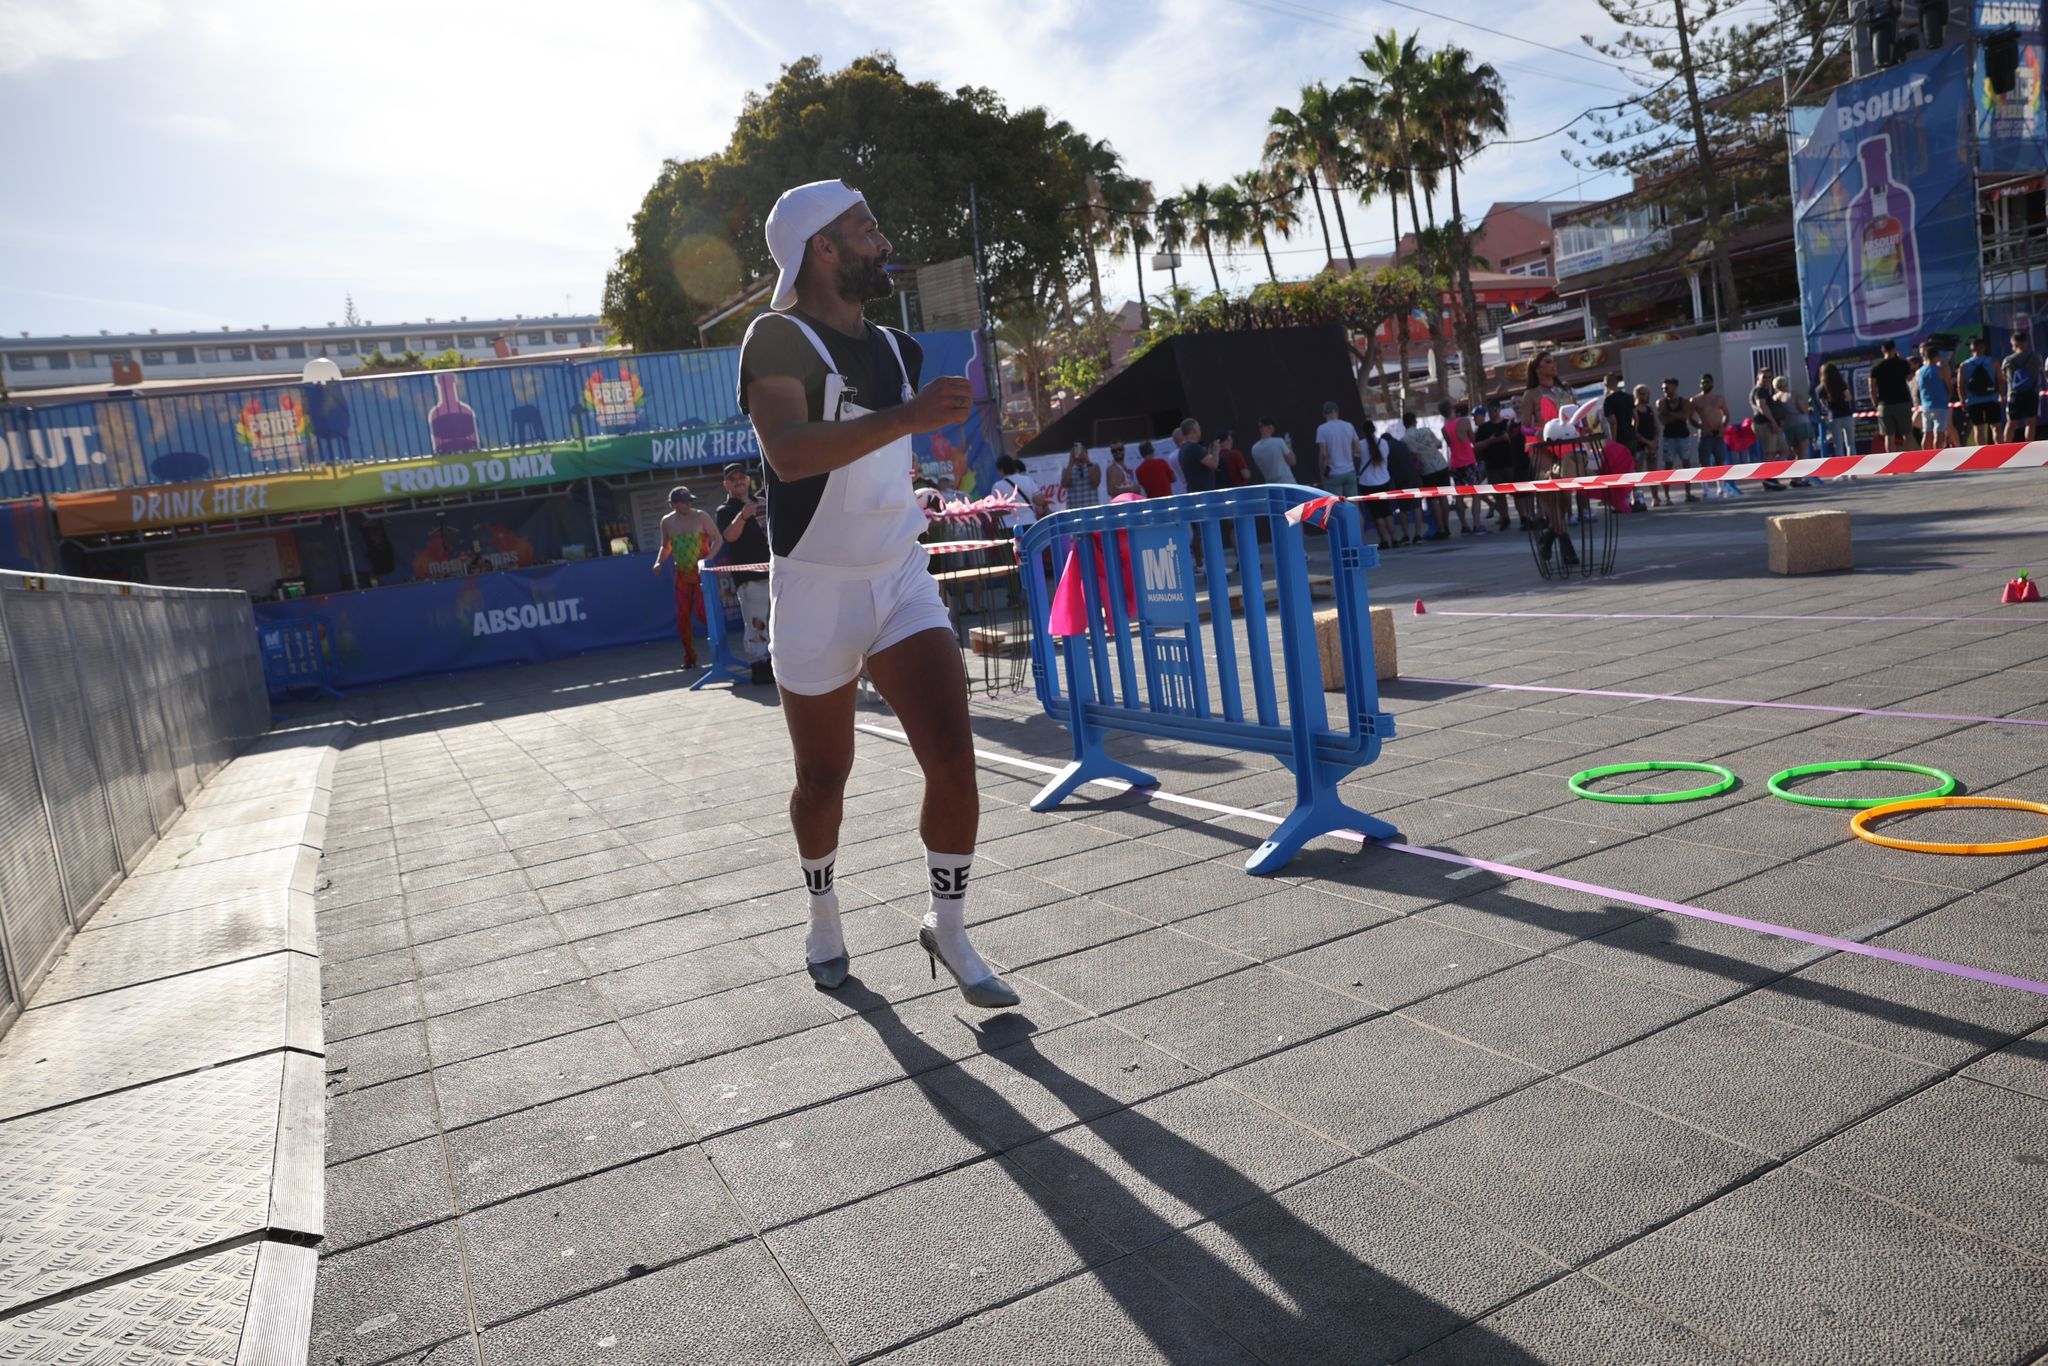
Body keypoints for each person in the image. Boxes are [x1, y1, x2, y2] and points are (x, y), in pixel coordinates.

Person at [737, 177, 1016, 1006]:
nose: (883, 240)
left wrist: (921, 463)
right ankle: (823, 915)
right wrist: (910, 420)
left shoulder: (899, 351)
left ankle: (951, 930)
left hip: (899, 575)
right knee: (824, 778)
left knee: (954, 759)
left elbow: (881, 451)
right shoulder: (774, 338)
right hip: (816, 588)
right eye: (867, 229)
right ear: (822, 247)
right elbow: (788, 453)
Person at [714, 463, 774, 684]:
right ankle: (759, 665)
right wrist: (742, 516)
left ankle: (776, 663)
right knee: (756, 621)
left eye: (741, 477)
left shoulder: (764, 503)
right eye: (733, 479)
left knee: (779, 621)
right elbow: (729, 537)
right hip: (749, 578)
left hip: (775, 573)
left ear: (749, 480)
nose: (738, 481)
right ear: (726, 484)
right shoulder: (725, 511)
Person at [652, 486, 721, 668]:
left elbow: (718, 539)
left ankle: (720, 651)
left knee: (702, 612)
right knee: (682, 617)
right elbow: (665, 546)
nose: (688, 504)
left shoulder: (701, 516)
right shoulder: (666, 522)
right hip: (682, 575)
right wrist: (659, 562)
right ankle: (689, 657)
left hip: (701, 574)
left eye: (690, 501)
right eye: (683, 502)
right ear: (673, 504)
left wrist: (706, 561)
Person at [1403, 410, 1450, 538]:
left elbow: (1412, 456)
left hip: (1427, 470)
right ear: (1415, 421)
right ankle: (1446, 526)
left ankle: (1440, 529)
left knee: (1433, 500)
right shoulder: (1426, 430)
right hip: (1441, 464)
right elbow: (1439, 444)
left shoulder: (1406, 439)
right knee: (1443, 497)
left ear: (1404, 424)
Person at [1356, 420, 1400, 549]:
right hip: (1384, 480)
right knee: (1387, 511)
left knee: (1376, 514)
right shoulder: (1384, 443)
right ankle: (1394, 538)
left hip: (1367, 482)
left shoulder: (1361, 445)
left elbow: (1357, 459)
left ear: (1363, 431)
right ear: (1374, 429)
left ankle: (1384, 540)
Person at [1866, 338, 1915, 453]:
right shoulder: (1902, 363)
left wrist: (1876, 403)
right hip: (1902, 402)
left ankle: (1892, 468)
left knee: (1889, 436)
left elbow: (1871, 387)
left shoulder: (1876, 367)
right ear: (1894, 348)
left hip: (1885, 405)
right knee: (1907, 434)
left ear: (1883, 350)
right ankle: (1910, 462)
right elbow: (1909, 378)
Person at [1655, 378, 1698, 503]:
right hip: (1669, 437)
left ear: (1675, 387)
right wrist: (1677, 415)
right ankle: (1667, 496)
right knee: (1668, 466)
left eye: (1667, 388)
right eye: (1663, 389)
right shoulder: (1661, 403)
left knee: (1686, 465)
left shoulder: (1684, 402)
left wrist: (1670, 414)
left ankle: (1688, 494)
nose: (1665, 390)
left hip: (1683, 436)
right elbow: (1663, 421)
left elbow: (1685, 416)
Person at [1694, 373, 1734, 497]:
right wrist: (1701, 427)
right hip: (1705, 434)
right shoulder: (1695, 400)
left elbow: (1726, 413)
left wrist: (1723, 427)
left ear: (1712, 383)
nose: (1706, 384)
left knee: (1720, 460)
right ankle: (1706, 489)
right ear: (1700, 384)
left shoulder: (1719, 398)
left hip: (1718, 434)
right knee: (1704, 462)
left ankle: (1721, 487)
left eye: (1708, 382)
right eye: (1704, 382)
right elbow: (1689, 418)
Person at [1443, 401, 1482, 531]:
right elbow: (1473, 439)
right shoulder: (1464, 422)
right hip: (1468, 462)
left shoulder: (1444, 429)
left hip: (1455, 464)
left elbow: (1450, 444)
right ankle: (1477, 525)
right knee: (1475, 493)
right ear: (1452, 409)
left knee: (1459, 495)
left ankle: (1464, 526)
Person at [1749, 365, 1789, 489]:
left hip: (1771, 423)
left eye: (1770, 377)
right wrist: (1773, 422)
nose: (1767, 379)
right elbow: (1761, 406)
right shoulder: (1759, 390)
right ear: (1758, 377)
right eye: (1764, 377)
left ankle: (1772, 475)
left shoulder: (1765, 391)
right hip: (1765, 424)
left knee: (1784, 450)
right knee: (1770, 452)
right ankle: (1769, 478)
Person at [1960, 336, 2003, 444]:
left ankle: (1982, 454)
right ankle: (2001, 451)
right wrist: (2002, 395)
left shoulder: (1964, 365)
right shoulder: (1993, 362)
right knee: (1996, 426)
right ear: (1984, 348)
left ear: (1971, 349)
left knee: (1978, 428)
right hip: (1991, 399)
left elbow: (1960, 385)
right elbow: (2000, 380)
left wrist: (1963, 401)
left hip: (1973, 401)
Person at [1633, 384, 1669, 507]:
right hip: (1639, 446)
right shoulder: (1633, 410)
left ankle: (1656, 497)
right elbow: (1634, 431)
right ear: (1637, 395)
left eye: (1648, 394)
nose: (1647, 396)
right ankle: (1637, 497)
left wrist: (1654, 442)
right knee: (1637, 472)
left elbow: (1657, 427)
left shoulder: (1649, 409)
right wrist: (1647, 442)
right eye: (1644, 394)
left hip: (1651, 446)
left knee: (1652, 473)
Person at [1315, 401, 1360, 498]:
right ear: (1337, 411)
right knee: (1354, 505)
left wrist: (1323, 473)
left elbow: (1323, 454)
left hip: (1333, 473)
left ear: (1324, 414)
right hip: (1350, 471)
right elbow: (1358, 448)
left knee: (1337, 507)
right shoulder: (1349, 426)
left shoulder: (1322, 429)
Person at [990, 454, 1044, 534]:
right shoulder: (1027, 480)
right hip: (1030, 523)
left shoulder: (997, 486)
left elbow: (994, 511)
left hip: (1008, 526)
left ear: (1001, 470)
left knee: (1013, 547)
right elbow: (1040, 501)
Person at [1915, 341, 1954, 448]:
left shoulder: (1918, 372)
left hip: (1926, 406)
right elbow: (1949, 386)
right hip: (1940, 405)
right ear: (1935, 356)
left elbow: (1918, 388)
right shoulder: (1940, 370)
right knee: (1939, 433)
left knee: (1927, 433)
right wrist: (1949, 395)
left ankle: (1926, 455)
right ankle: (1937, 456)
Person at [2005, 332, 2040, 442]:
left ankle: (2006, 448)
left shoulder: (2008, 360)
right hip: (2032, 393)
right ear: (2026, 342)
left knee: (2012, 422)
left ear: (2014, 343)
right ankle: (2029, 447)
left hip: (2014, 395)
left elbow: (2004, 377)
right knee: (2030, 422)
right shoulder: (2035, 356)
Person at [1817, 361, 1855, 459]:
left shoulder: (1821, 388)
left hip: (1834, 417)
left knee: (1838, 445)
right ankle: (1854, 470)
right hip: (1847, 414)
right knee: (1850, 444)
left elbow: (1823, 404)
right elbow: (1849, 397)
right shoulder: (1841, 383)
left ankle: (1843, 471)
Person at [1176, 418, 1218, 493]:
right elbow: (1214, 464)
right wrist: (1216, 450)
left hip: (1194, 491)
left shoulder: (1182, 449)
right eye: (1199, 428)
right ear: (1194, 430)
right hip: (1204, 493)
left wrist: (1209, 453)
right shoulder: (1194, 447)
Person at [1250, 417, 1295, 484]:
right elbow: (1292, 462)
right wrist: (1288, 446)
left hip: (1271, 486)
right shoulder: (1279, 442)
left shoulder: (1254, 448)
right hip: (1288, 483)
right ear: (1271, 427)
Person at [1062, 442, 1101, 509]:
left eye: (1081, 450)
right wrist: (1071, 461)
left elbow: (1095, 483)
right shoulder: (1067, 469)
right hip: (1074, 510)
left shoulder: (1094, 466)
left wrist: (1087, 460)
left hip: (1091, 509)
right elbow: (1065, 484)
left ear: (1086, 451)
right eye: (1076, 450)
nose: (1078, 453)